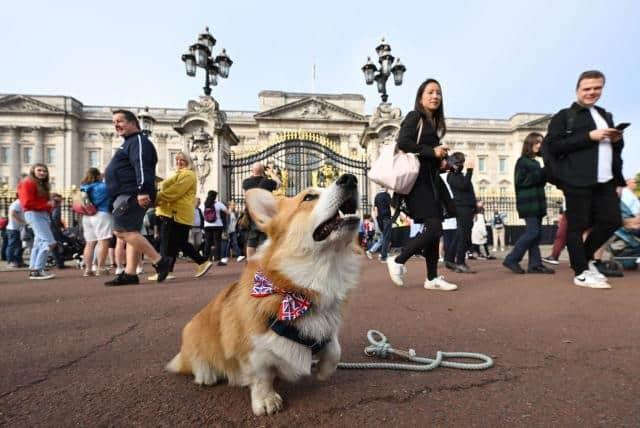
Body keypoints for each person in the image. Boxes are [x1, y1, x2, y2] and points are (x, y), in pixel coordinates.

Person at [544, 70, 625, 289]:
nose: (592, 92)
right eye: (587, 89)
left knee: (612, 221)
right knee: (577, 226)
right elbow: (553, 146)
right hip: (577, 178)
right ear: (578, 90)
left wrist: (617, 139)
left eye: (596, 88)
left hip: (605, 179)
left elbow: (614, 150)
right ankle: (580, 272)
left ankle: (585, 260)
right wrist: (589, 136)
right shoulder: (565, 116)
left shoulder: (604, 115)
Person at [385, 78, 457, 291]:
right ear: (420, 97)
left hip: (431, 181)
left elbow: (428, 155)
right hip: (417, 184)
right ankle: (398, 260)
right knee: (434, 228)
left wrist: (442, 161)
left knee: (435, 228)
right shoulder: (415, 116)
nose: (435, 96)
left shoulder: (433, 124)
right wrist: (431, 151)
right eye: (430, 92)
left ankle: (432, 278)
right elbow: (404, 143)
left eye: (438, 93)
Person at [103, 109, 170, 286]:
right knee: (132, 232)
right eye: (114, 122)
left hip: (131, 193)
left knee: (122, 231)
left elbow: (142, 166)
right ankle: (130, 273)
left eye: (120, 121)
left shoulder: (138, 141)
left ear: (133, 123)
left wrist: (143, 190)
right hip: (128, 192)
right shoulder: (131, 142)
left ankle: (160, 261)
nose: (116, 125)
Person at [152, 151, 213, 280]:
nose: (179, 163)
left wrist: (156, 198)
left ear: (188, 163)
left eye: (182, 161)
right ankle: (200, 262)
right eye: (177, 160)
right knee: (178, 243)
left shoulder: (188, 175)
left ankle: (164, 270)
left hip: (175, 213)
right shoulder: (181, 174)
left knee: (166, 243)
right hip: (177, 213)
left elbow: (175, 192)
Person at [503, 132, 554, 275]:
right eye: (537, 142)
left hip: (537, 202)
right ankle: (512, 259)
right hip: (528, 203)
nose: (539, 145)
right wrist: (542, 172)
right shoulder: (522, 161)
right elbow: (522, 181)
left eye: (541, 143)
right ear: (529, 144)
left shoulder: (536, 162)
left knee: (536, 235)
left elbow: (540, 181)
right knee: (533, 232)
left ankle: (535, 264)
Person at [17, 163, 56, 280]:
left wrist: (49, 204)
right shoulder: (28, 183)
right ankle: (38, 270)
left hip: (40, 213)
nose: (42, 173)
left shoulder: (39, 184)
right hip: (34, 213)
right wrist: (47, 204)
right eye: (39, 170)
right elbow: (26, 203)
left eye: (44, 171)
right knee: (49, 242)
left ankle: (34, 268)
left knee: (38, 243)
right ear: (33, 171)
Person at [446, 152, 477, 273]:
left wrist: (474, 206)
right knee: (464, 236)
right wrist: (470, 171)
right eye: (460, 163)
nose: (462, 165)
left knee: (460, 235)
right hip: (461, 208)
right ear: (453, 164)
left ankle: (449, 258)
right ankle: (460, 262)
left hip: (467, 207)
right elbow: (464, 186)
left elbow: (468, 191)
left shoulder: (460, 175)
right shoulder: (452, 176)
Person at [80, 168, 113, 276]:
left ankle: (88, 269)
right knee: (103, 242)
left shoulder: (84, 187)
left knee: (89, 244)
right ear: (98, 175)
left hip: (87, 215)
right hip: (101, 214)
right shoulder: (104, 186)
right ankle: (101, 267)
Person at [242, 162, 279, 258]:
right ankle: (262, 263)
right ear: (263, 171)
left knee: (251, 241)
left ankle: (250, 262)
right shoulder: (267, 182)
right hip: (264, 214)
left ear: (252, 170)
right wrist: (271, 173)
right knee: (264, 239)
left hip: (252, 213)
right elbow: (279, 183)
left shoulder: (246, 182)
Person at [367, 187, 392, 262]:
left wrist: (377, 218)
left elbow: (375, 209)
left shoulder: (377, 196)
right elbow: (391, 206)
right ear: (385, 188)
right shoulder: (387, 195)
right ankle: (383, 256)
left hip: (379, 219)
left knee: (383, 237)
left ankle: (381, 254)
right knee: (386, 237)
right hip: (386, 218)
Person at [6, 194, 27, 268]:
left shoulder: (20, 203)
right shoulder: (17, 203)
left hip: (17, 228)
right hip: (13, 228)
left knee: (18, 246)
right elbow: (13, 213)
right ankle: (10, 261)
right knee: (12, 245)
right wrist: (21, 221)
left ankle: (18, 261)